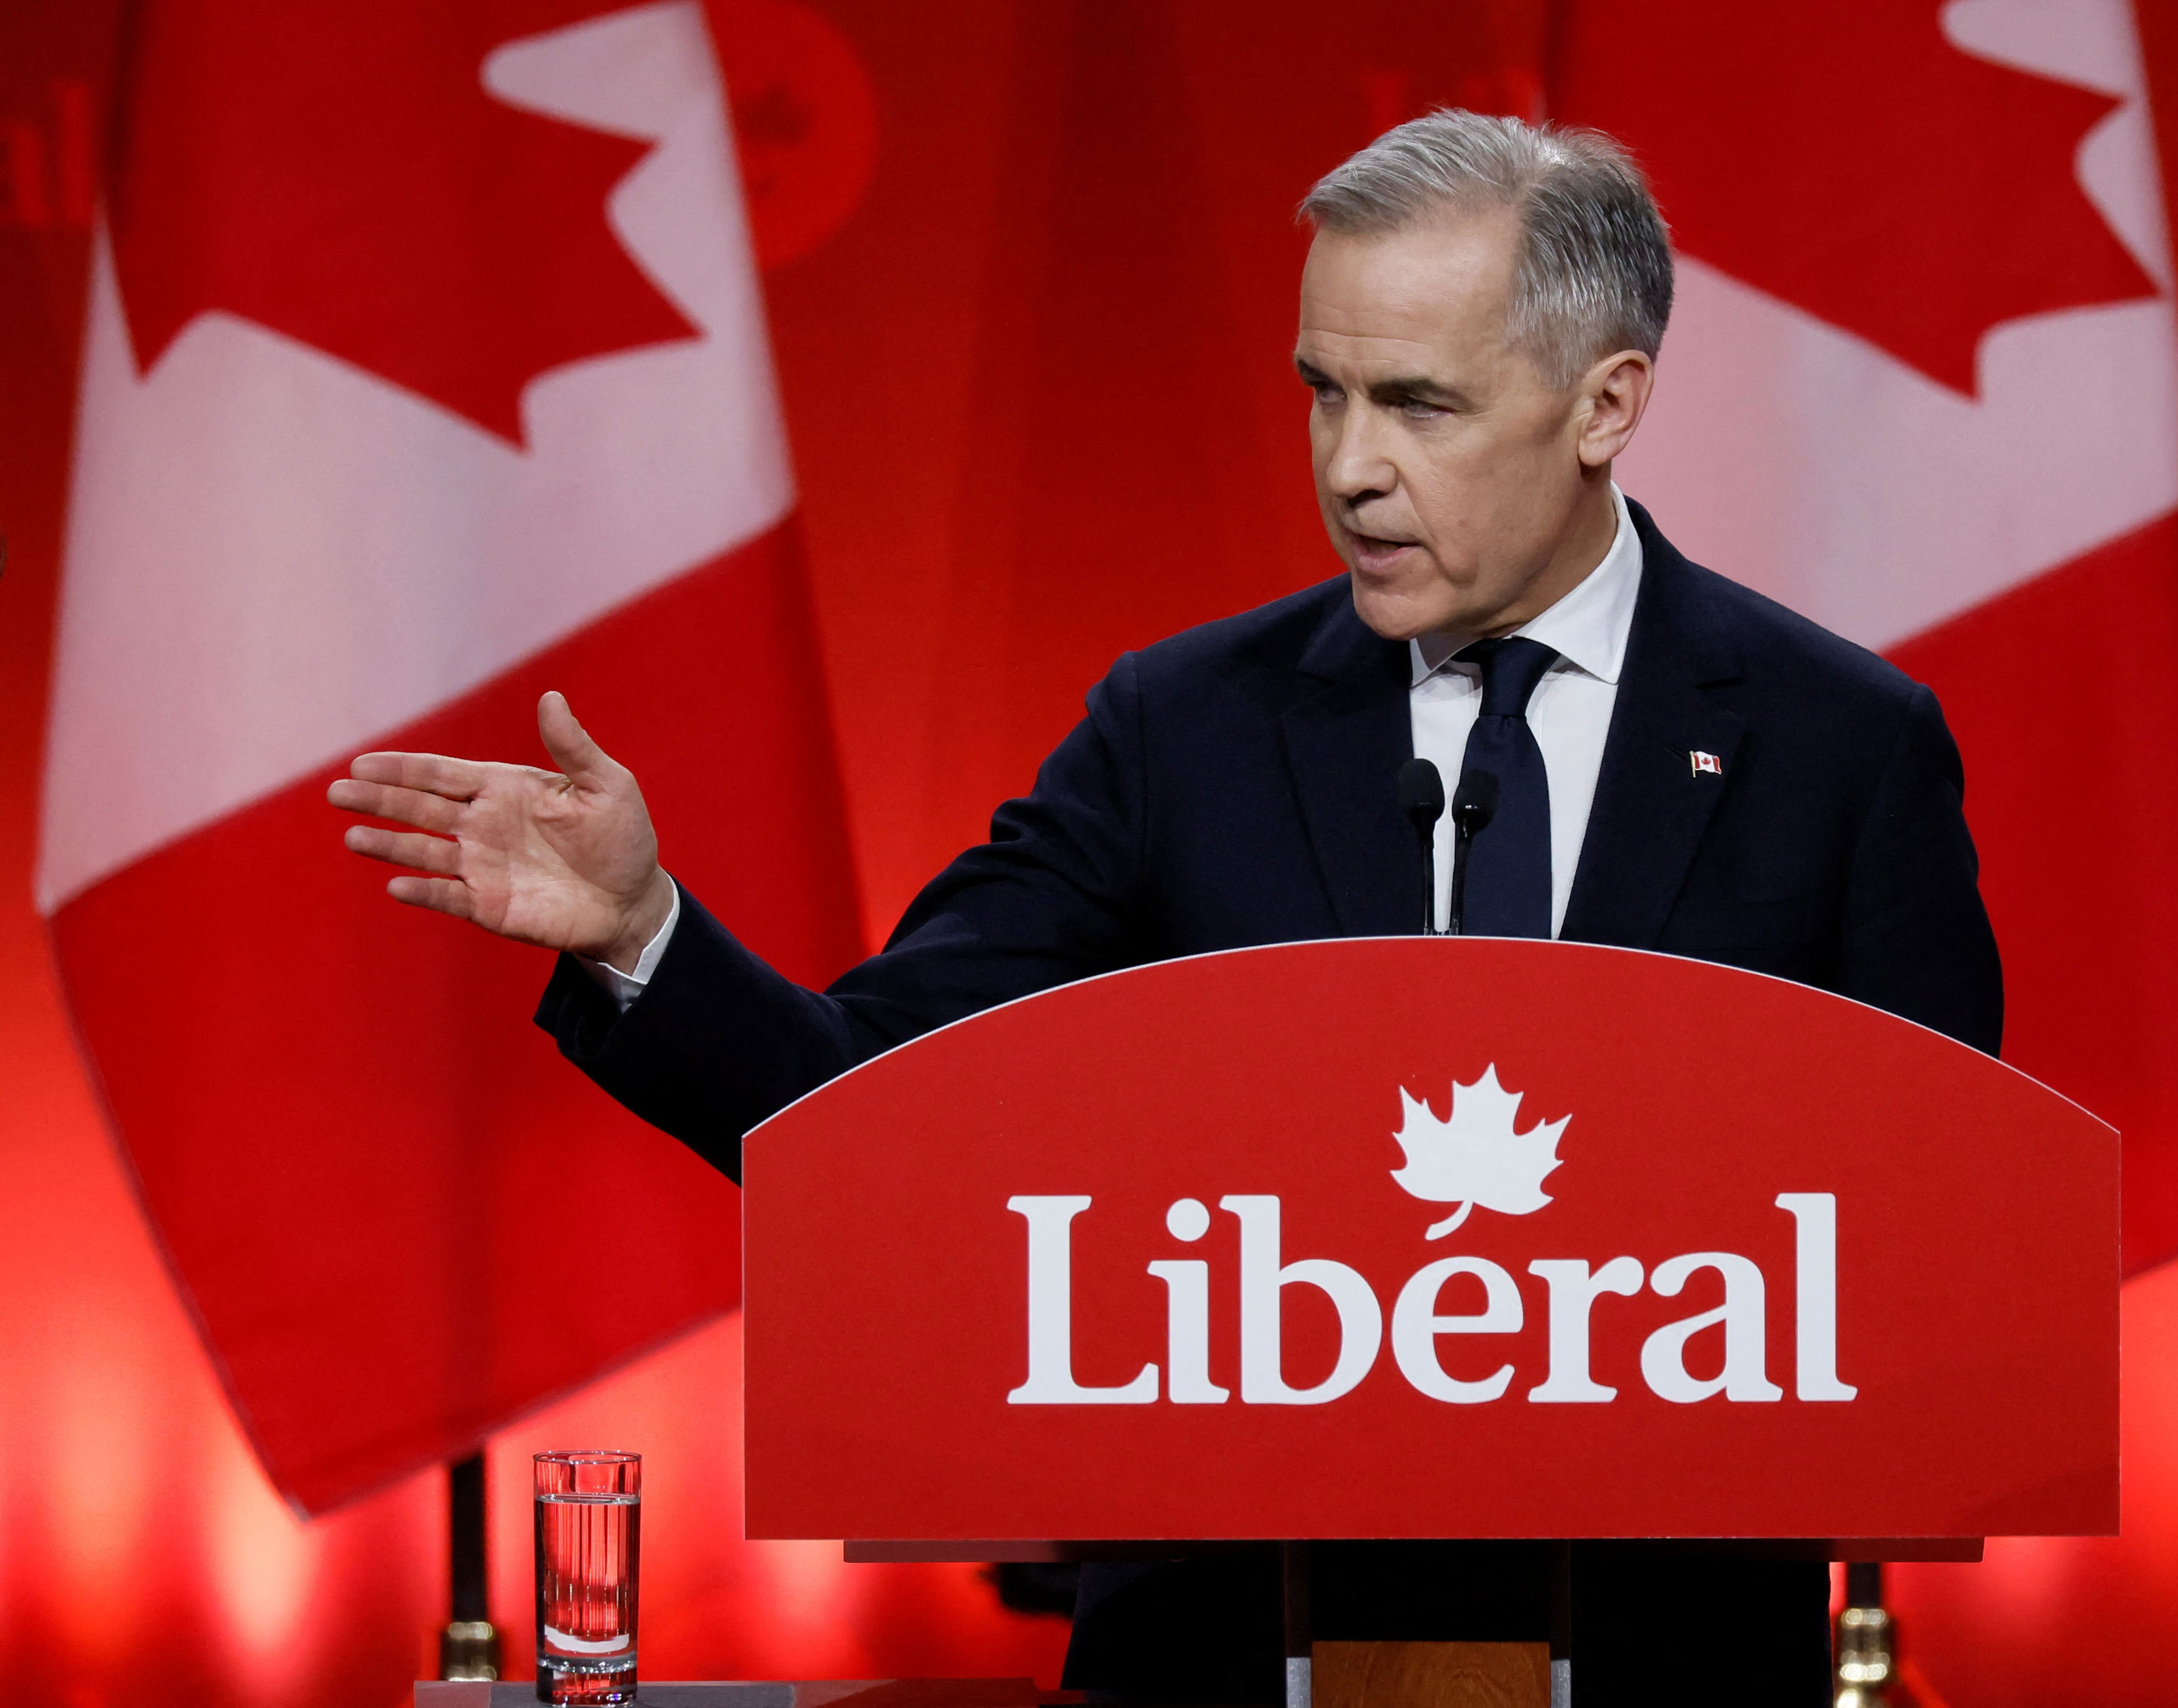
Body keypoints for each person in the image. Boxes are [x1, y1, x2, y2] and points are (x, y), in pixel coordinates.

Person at [330, 110, 1999, 1706]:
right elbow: (870, 1105)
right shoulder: (1184, 729)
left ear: (1605, 403)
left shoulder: (1836, 748)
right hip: (1215, 1658)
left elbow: (1935, 1254)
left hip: (1674, 1663)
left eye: (1419, 405)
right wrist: (644, 936)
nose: (1351, 469)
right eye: (1323, 394)